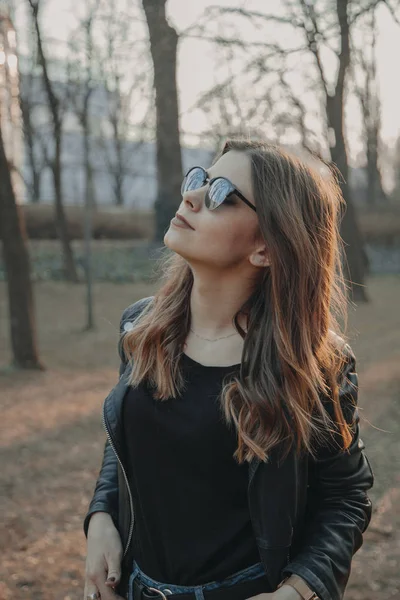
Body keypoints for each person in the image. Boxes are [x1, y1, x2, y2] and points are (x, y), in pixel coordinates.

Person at [82, 140, 374, 600]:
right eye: (199, 178)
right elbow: (125, 443)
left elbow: (346, 497)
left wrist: (297, 592)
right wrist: (101, 517)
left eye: (222, 194)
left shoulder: (312, 366)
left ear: (266, 248)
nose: (192, 196)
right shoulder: (140, 327)